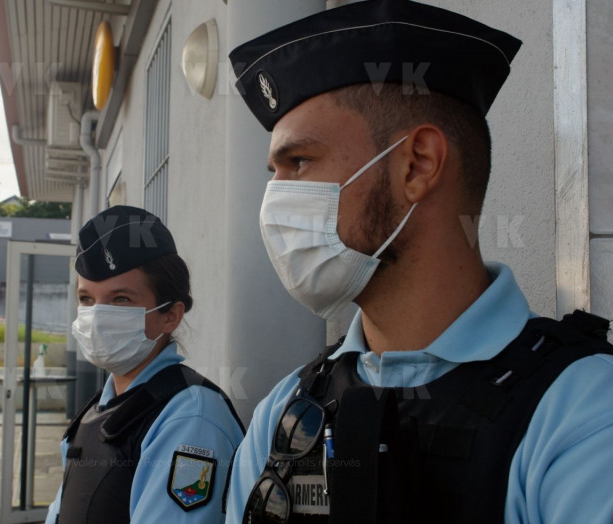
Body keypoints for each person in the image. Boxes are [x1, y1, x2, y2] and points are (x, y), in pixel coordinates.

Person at [225, 1, 613, 522]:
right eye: (274, 171)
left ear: (418, 165)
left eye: (299, 162)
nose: (275, 200)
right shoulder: (285, 413)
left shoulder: (583, 414)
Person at [45, 205, 244, 523]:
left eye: (120, 299)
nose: (96, 317)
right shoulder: (102, 407)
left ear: (170, 316)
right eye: (86, 300)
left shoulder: (190, 419)